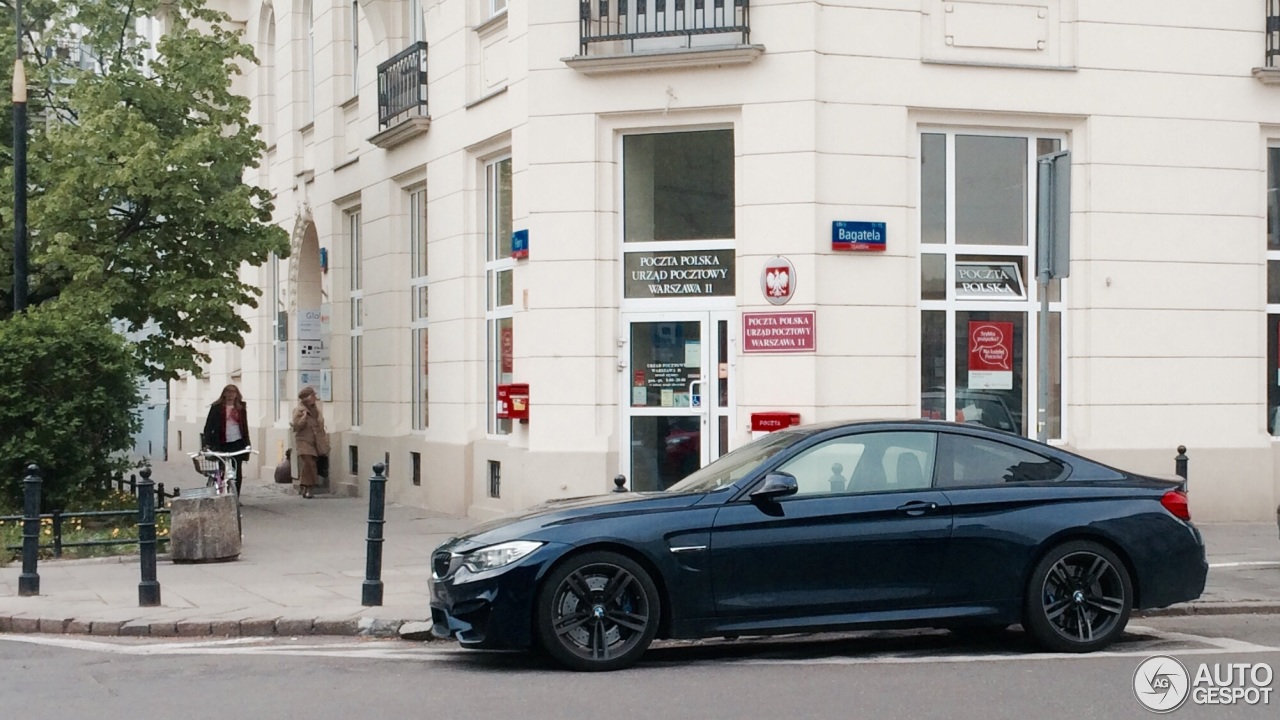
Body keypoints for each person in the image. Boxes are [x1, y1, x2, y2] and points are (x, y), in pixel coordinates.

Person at [202, 384, 250, 495]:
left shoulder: (240, 408)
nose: (230, 395)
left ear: (237, 394)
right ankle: (221, 491)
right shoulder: (217, 407)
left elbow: (245, 427)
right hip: (221, 442)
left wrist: (247, 443)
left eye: (233, 392)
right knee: (222, 468)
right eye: (228, 392)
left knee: (237, 471)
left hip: (237, 442)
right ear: (224, 394)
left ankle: (235, 496)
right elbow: (209, 426)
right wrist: (207, 442)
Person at [291, 386, 329, 499]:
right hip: (303, 441)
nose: (315, 398)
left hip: (316, 441)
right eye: (313, 395)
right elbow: (297, 426)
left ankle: (306, 486)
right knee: (309, 463)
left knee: (311, 464)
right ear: (307, 398)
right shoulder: (299, 410)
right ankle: (308, 487)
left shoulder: (316, 409)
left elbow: (320, 424)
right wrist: (304, 417)